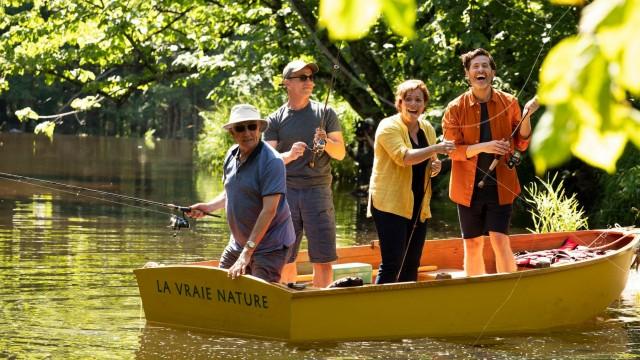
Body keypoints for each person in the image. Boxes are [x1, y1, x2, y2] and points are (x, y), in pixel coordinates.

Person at [441, 48, 540, 276]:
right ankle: (473, 293)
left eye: (485, 65)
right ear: (467, 74)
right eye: (475, 66)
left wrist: (526, 115)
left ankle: (507, 290)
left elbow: (522, 142)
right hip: (466, 188)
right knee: (473, 243)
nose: (480, 70)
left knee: (499, 239)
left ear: (493, 72)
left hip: (501, 185)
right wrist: (484, 147)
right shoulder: (455, 108)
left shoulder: (509, 101)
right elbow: (451, 150)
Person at [188, 104, 295, 283]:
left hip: (270, 247)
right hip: (238, 244)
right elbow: (232, 192)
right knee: (220, 286)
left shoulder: (272, 162)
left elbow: (269, 210)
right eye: (240, 128)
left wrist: (247, 253)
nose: (247, 133)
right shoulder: (231, 154)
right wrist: (208, 207)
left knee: (259, 298)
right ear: (232, 132)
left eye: (252, 126)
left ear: (259, 129)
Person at [264, 59, 346, 288]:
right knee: (285, 255)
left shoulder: (326, 112)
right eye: (302, 77)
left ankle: (321, 303)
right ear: (287, 83)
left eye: (311, 77)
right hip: (286, 191)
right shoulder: (274, 119)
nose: (309, 81)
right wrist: (289, 154)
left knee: (323, 257)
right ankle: (287, 297)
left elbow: (340, 153)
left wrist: (326, 141)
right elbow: (267, 161)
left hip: (318, 190)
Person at [367, 79, 456, 284]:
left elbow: (432, 164)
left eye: (418, 100)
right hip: (390, 203)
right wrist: (436, 149)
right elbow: (404, 157)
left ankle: (403, 309)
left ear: (425, 104)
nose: (413, 104)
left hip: (418, 202)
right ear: (399, 103)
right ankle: (381, 308)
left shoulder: (427, 128)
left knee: (412, 262)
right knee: (392, 262)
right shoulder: (388, 126)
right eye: (408, 99)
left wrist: (436, 167)